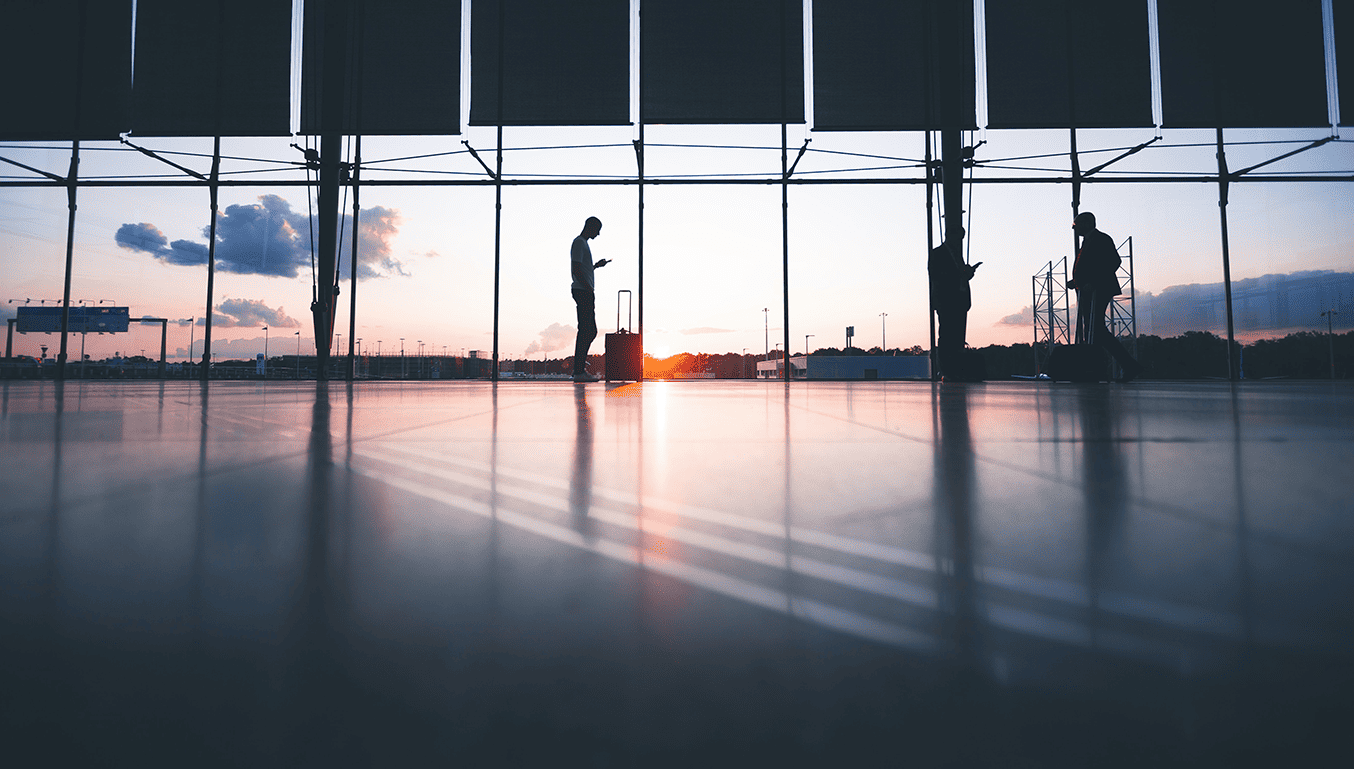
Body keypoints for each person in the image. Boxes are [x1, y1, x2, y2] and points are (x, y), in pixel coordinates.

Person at [1069, 212, 1143, 382]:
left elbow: (1113, 262)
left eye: (1076, 224)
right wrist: (1077, 281)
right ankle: (1112, 367)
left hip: (1098, 290)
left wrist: (1093, 282)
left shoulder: (1100, 239)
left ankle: (1119, 366)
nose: (1074, 228)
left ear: (1087, 224)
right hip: (1090, 290)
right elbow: (1092, 265)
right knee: (1095, 330)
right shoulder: (1089, 241)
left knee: (1095, 329)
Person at [928, 226, 979, 380]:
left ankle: (952, 369)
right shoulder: (938, 254)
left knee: (954, 336)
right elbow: (937, 277)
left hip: (957, 301)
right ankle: (947, 371)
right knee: (947, 336)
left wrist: (965, 274)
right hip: (947, 301)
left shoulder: (952, 254)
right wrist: (961, 275)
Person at [570, 216, 610, 383]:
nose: (599, 233)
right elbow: (576, 268)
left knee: (588, 330)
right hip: (583, 290)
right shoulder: (579, 243)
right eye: (597, 229)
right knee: (587, 330)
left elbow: (582, 268)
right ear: (590, 227)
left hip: (584, 289)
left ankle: (579, 368)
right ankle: (579, 370)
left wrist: (595, 267)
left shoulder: (583, 244)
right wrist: (587, 287)